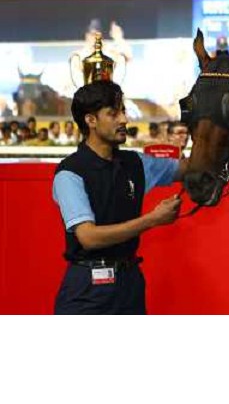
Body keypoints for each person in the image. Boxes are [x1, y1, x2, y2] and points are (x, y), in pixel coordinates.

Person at [52, 80, 188, 314]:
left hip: (130, 282)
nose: (124, 119)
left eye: (123, 111)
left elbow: (190, 169)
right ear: (90, 120)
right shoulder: (70, 173)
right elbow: (89, 237)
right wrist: (152, 219)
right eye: (113, 113)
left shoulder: (136, 163)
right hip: (88, 289)